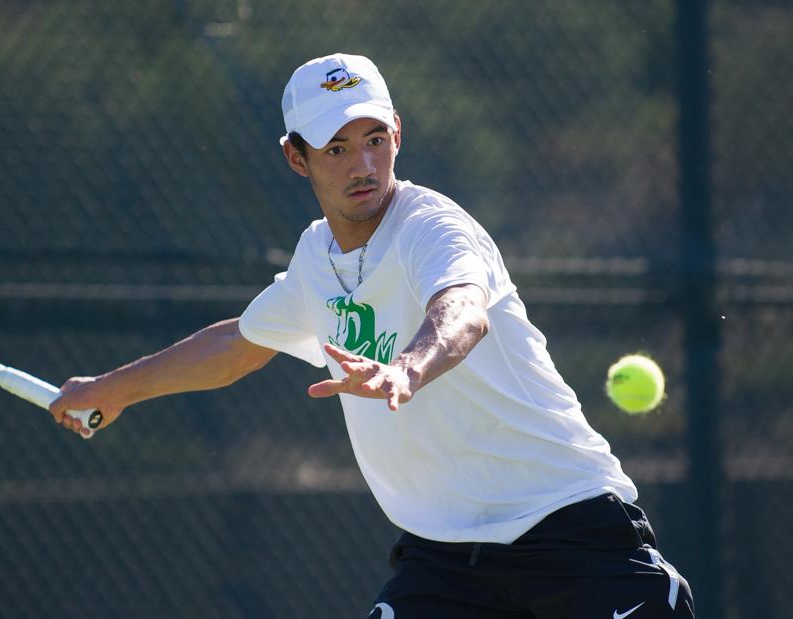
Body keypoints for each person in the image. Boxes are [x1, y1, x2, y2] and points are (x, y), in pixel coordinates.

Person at [50, 53, 695, 618]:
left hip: (569, 527)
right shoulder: (314, 260)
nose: (363, 165)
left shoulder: (433, 228)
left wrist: (408, 368)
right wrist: (111, 390)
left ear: (397, 136)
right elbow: (238, 348)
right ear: (295, 156)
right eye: (336, 148)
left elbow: (464, 311)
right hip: (444, 560)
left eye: (375, 139)